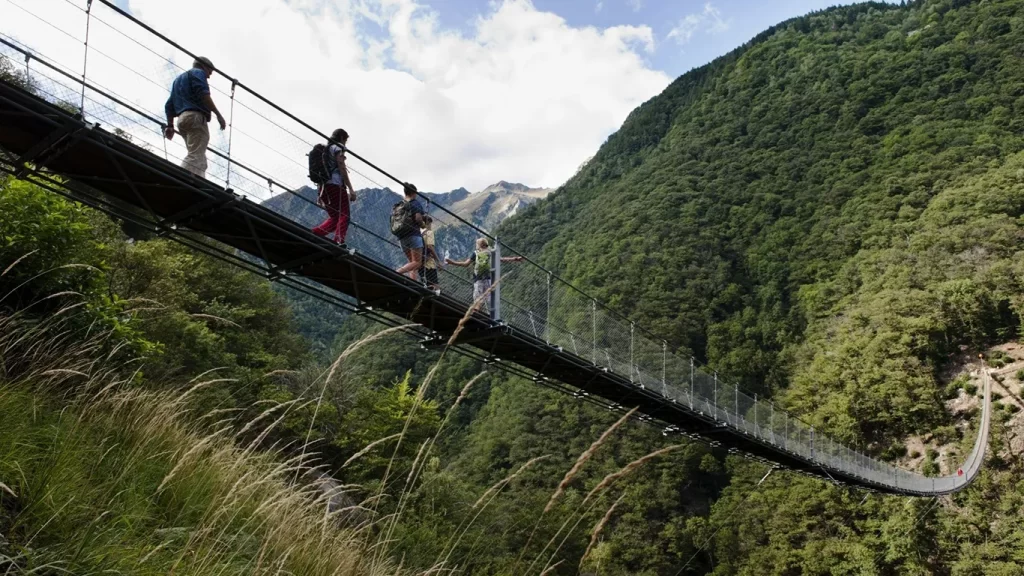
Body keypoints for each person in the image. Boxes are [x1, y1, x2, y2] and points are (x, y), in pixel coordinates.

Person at [163, 56, 226, 178]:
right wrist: (218, 115)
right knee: (195, 155)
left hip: (182, 120)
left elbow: (168, 105)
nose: (208, 76)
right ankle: (180, 178)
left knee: (199, 157)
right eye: (209, 72)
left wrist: (170, 126)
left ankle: (199, 182)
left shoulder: (178, 80)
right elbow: (203, 94)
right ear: (204, 66)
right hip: (196, 118)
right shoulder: (198, 73)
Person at [445, 238, 523, 313]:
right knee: (490, 298)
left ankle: (478, 312)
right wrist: (515, 258)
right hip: (489, 279)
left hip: (478, 279)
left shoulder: (475, 253)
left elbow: (465, 264)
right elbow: (501, 259)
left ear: (479, 245)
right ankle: (491, 314)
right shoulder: (490, 252)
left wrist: (452, 262)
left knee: (478, 299)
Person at [312, 128, 357, 245]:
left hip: (325, 188)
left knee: (335, 218)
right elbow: (341, 167)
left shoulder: (326, 151)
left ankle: (314, 234)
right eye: (345, 140)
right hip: (336, 185)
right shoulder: (337, 148)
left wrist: (319, 194)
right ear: (342, 138)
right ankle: (338, 241)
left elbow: (323, 172)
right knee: (344, 216)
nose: (345, 143)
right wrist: (351, 189)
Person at [393, 183, 426, 280]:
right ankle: (396, 272)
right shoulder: (415, 203)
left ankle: (413, 282)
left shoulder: (399, 205)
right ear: (413, 192)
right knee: (417, 263)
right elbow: (418, 219)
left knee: (412, 262)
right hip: (414, 235)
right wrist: (423, 225)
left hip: (402, 236)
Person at [419, 215, 441, 289]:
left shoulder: (418, 234)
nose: (431, 226)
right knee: (436, 286)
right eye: (430, 224)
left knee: (426, 286)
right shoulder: (429, 233)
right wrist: (438, 261)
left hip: (420, 264)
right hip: (429, 264)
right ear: (427, 223)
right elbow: (430, 247)